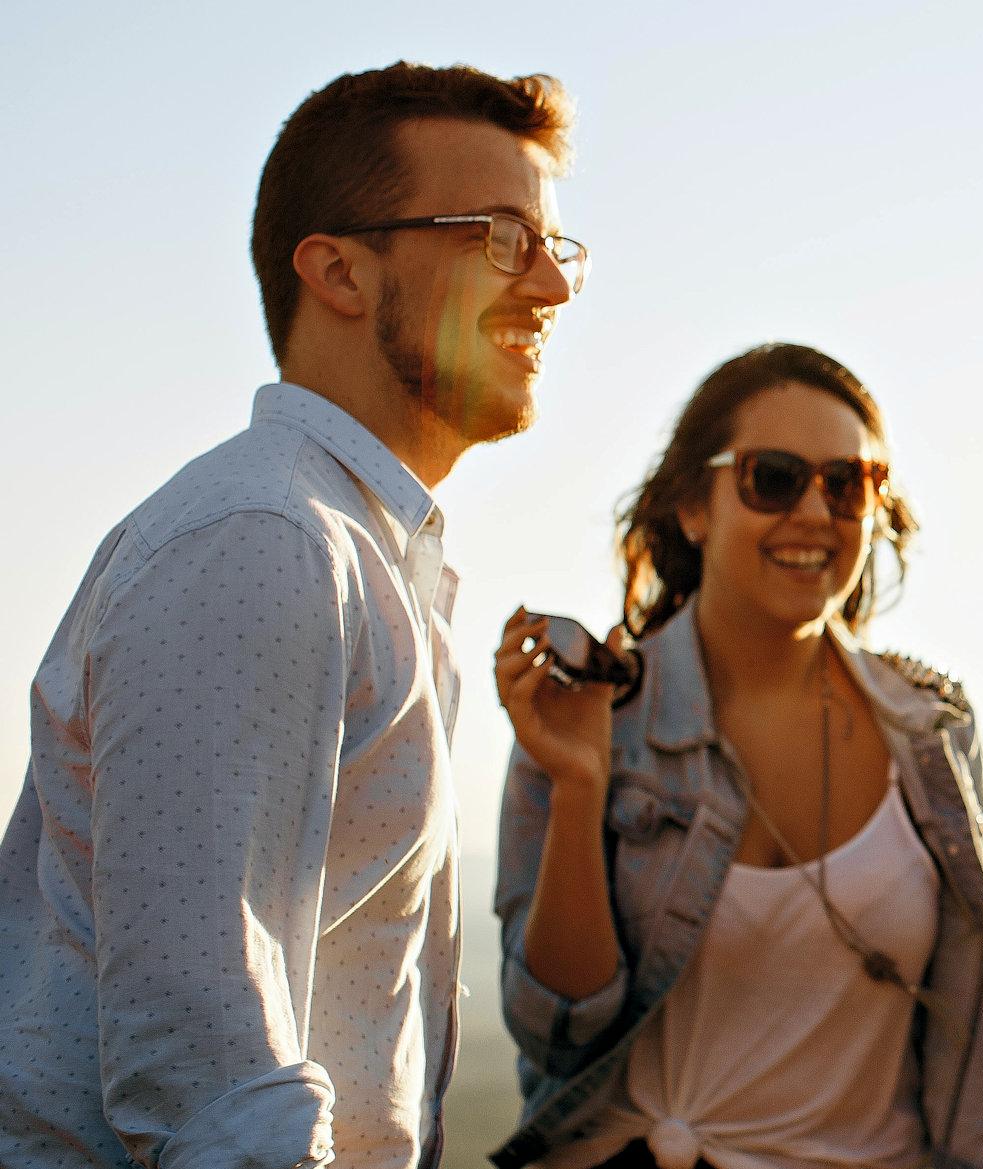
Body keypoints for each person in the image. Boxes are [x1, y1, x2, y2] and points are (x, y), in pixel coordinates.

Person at [0, 63, 579, 1166]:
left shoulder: (359, 553)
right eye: (504, 237)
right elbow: (210, 1075)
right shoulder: (265, 539)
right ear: (339, 272)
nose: (549, 285)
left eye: (556, 247)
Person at [488, 343, 983, 1169]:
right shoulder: (597, 717)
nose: (816, 512)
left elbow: (976, 1063)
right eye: (773, 477)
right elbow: (558, 1030)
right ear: (693, 506)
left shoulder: (932, 736)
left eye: (849, 484)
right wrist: (578, 784)